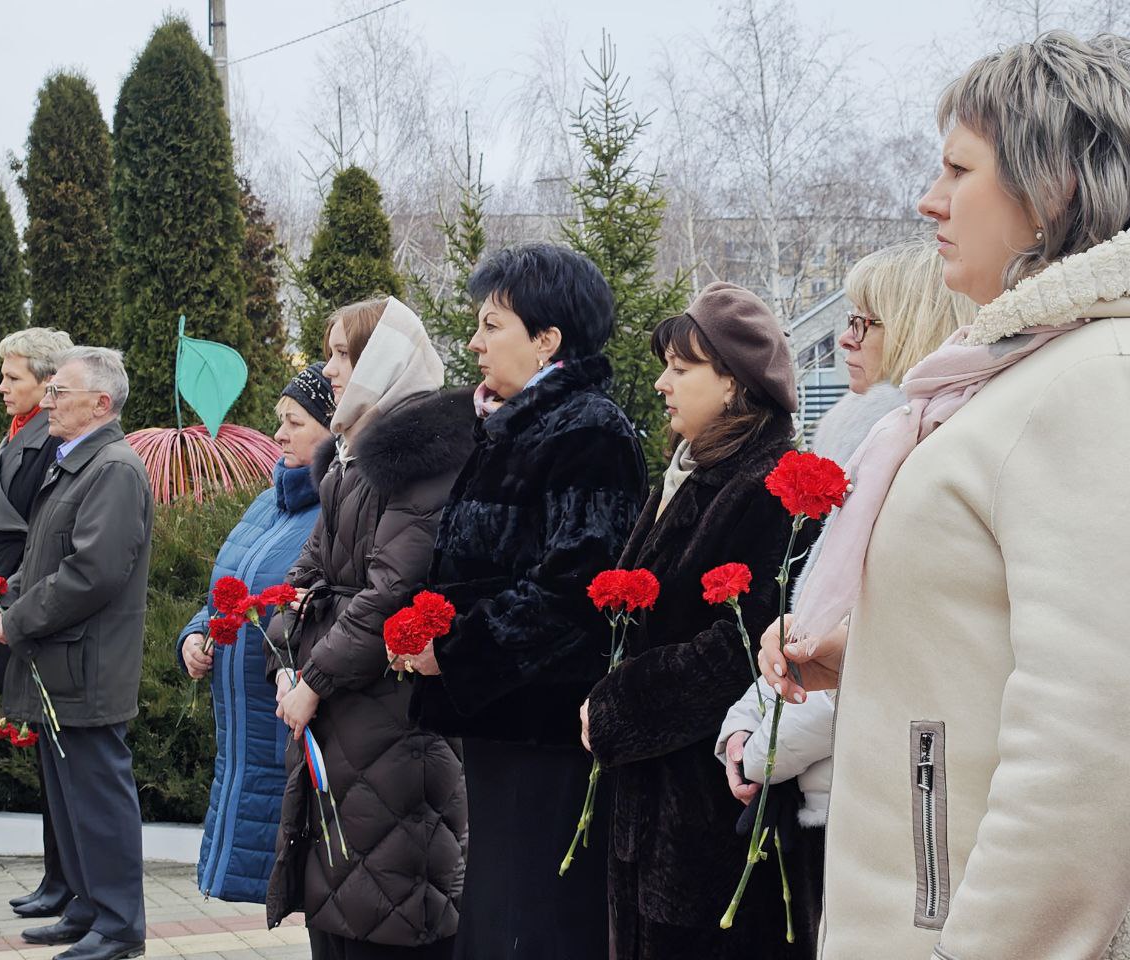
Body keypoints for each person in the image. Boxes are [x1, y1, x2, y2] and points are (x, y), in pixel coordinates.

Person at [761, 32, 1130, 958]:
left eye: (959, 168)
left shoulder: (1108, 378)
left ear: (1054, 186)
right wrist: (875, 656)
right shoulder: (1024, 376)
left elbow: (1097, 744)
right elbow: (1013, 637)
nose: (928, 199)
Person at [405, 243, 649, 960]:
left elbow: (576, 588)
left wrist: (452, 648)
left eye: (493, 326)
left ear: (549, 340)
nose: (475, 343)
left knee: (532, 918)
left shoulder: (587, 428)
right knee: (499, 909)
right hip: (503, 716)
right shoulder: (514, 424)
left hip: (546, 722)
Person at [578, 282, 819, 959]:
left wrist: (621, 703)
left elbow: (747, 642)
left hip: (712, 808)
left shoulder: (771, 483)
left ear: (737, 385)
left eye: (682, 369)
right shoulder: (687, 471)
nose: (662, 383)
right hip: (656, 803)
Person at [716, 238, 974, 833]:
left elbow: (877, 644)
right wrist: (742, 723)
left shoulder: (911, 462)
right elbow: (812, 634)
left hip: (873, 801)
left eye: (866, 322)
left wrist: (757, 749)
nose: (845, 339)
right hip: (833, 786)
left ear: (917, 324)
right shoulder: (867, 452)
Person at [265, 296, 475, 960]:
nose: (328, 369)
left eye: (342, 353)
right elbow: (304, 572)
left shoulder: (423, 455)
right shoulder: (352, 454)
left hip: (394, 717)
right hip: (346, 714)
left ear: (382, 359)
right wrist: (284, 654)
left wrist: (315, 678)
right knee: (340, 903)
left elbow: (393, 590)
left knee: (388, 907)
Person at [0, 347, 153, 960]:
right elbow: (47, 560)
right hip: (60, 663)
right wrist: (5, 597)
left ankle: (118, 926)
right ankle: (87, 906)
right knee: (69, 796)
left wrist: (18, 620)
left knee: (98, 797)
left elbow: (92, 573)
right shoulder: (78, 464)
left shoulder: (111, 467)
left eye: (60, 393)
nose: (48, 402)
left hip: (86, 665)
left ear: (100, 404)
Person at [176, 363, 335, 903]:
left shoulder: (336, 507)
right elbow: (225, 590)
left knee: (311, 880)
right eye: (279, 421)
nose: (279, 435)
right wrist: (198, 635)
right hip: (243, 734)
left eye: (294, 422)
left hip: (291, 727)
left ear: (333, 428)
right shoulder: (269, 500)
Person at [0, 326, 73, 920]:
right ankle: (56, 878)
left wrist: (13, 601)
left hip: (30, 597)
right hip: (12, 590)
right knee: (44, 751)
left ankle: (65, 882)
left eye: (13, 377)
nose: (2, 387)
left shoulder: (51, 442)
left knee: (56, 750)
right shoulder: (23, 434)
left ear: (46, 382)